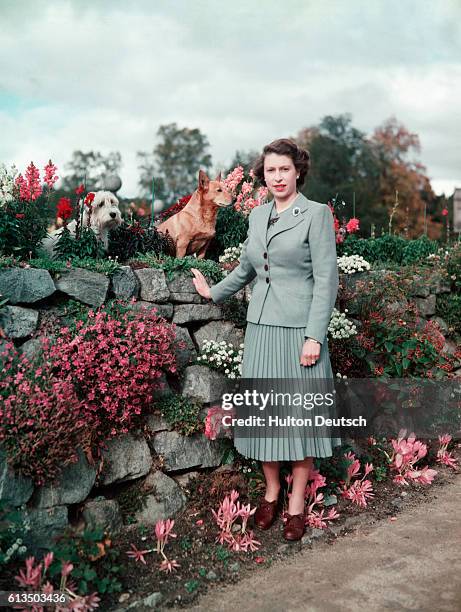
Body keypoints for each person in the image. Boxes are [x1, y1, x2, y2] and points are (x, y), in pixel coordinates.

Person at [191, 138, 341, 541]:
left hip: (299, 335)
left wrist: (315, 336)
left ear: (297, 172)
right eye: (271, 170)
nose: (277, 177)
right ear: (264, 174)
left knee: (300, 420)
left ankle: (295, 506)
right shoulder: (257, 217)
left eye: (284, 169)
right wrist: (213, 292)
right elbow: (245, 268)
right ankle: (272, 492)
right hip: (261, 330)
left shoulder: (316, 215)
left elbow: (327, 280)